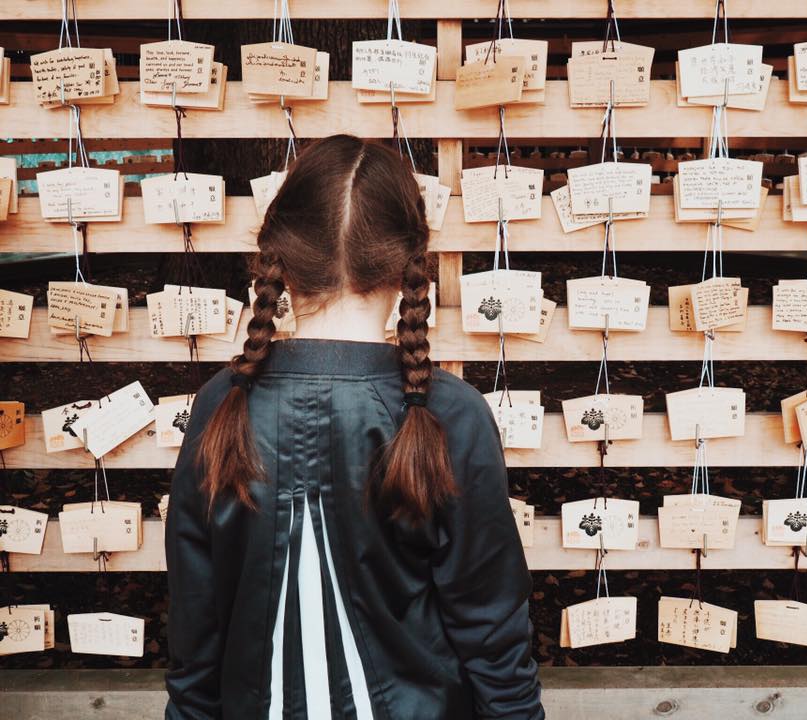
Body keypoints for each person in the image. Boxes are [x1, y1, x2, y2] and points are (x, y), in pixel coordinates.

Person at [164, 135, 543, 720]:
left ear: (279, 258)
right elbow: (492, 634)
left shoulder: (220, 405)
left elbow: (195, 637)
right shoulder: (452, 414)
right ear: (407, 264)